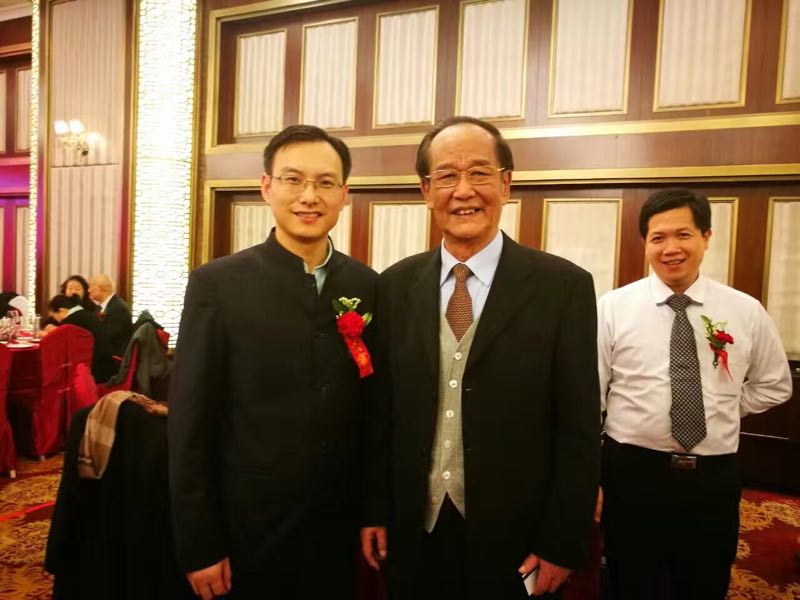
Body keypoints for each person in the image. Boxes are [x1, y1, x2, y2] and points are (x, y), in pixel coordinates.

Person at [361, 116, 600, 599]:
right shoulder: (393, 286)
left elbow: (577, 428)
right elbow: (380, 414)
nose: (463, 190)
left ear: (506, 184)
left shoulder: (563, 288)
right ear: (426, 191)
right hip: (414, 530)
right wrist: (374, 510)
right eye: (447, 176)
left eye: (479, 173)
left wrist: (561, 540)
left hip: (515, 536)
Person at [169, 125, 378, 600]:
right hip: (246, 524)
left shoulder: (366, 285)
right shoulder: (217, 285)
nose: (310, 196)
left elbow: (374, 413)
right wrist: (198, 542)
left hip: (336, 523)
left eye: (325, 183)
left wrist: (373, 510)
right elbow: (189, 423)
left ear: (344, 195)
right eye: (293, 179)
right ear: (267, 187)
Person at [597, 188, 793, 599]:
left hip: (712, 477)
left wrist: (722, 406)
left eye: (683, 234)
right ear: (645, 243)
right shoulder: (611, 308)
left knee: (705, 580)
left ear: (706, 237)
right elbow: (592, 393)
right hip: (631, 473)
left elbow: (775, 383)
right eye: (658, 237)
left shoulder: (744, 310)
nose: (670, 248)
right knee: (629, 579)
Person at [47, 294, 117, 383]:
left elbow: (61, 346)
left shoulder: (70, 321)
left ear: (62, 310)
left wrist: (51, 334)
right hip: (106, 367)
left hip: (93, 372)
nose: (57, 321)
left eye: (54, 316)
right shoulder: (86, 315)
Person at [88, 274, 133, 356]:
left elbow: (109, 337)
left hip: (113, 357)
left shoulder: (118, 308)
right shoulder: (100, 307)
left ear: (101, 288)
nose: (89, 290)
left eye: (91, 286)